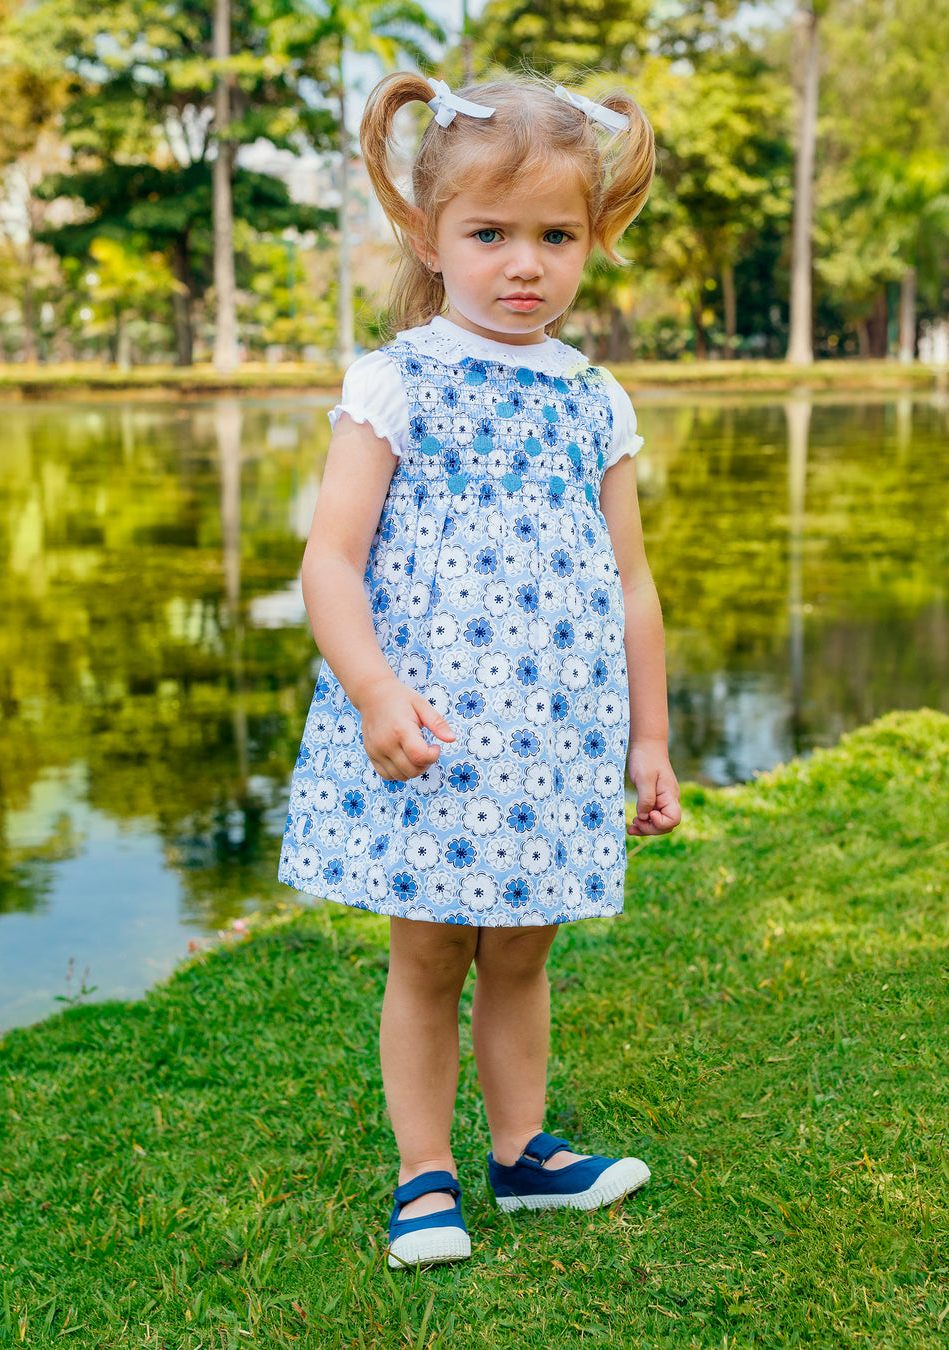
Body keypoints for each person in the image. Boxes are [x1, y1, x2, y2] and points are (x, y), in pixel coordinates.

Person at [279, 70, 681, 1269]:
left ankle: (523, 1155)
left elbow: (633, 588)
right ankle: (425, 1178)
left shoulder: (593, 401)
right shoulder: (399, 379)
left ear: (593, 238)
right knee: (430, 948)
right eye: (492, 234)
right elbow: (331, 563)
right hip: (432, 731)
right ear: (429, 235)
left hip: (555, 736)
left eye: (556, 236)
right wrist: (373, 695)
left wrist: (648, 740)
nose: (525, 264)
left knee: (523, 947)